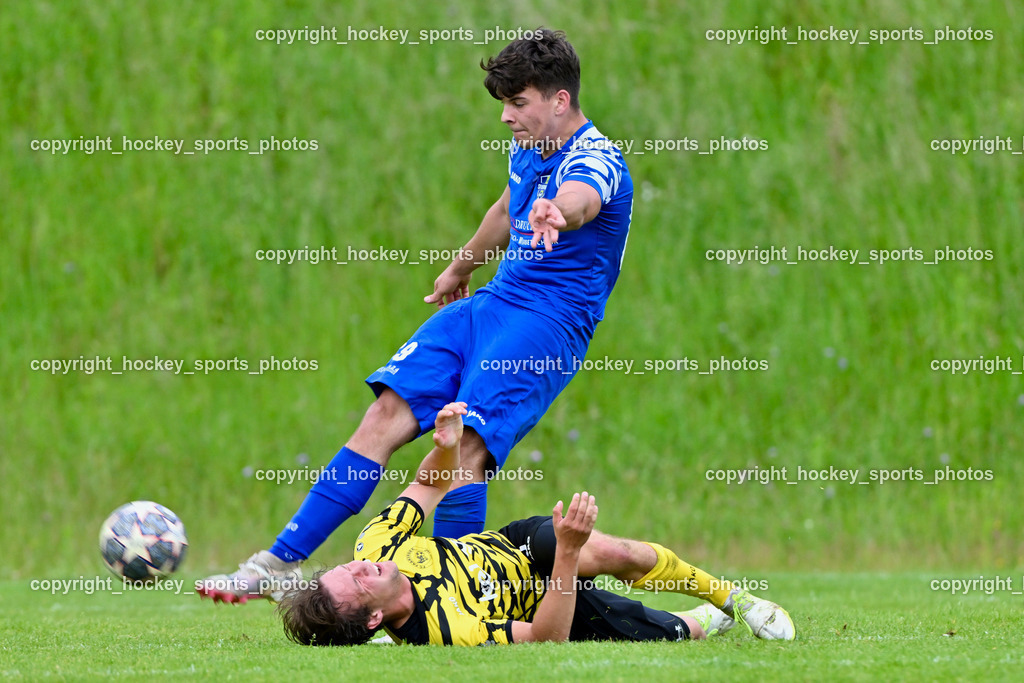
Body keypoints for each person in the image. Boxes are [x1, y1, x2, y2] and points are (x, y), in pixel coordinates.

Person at [199, 28, 633, 603]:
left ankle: (452, 598)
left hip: (547, 324)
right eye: (503, 104)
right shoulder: (531, 145)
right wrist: (460, 268)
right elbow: (507, 207)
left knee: (465, 446)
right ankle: (280, 564)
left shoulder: (598, 160)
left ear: (560, 100)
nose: (506, 117)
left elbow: (583, 198)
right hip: (492, 305)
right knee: (384, 414)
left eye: (518, 103)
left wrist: (561, 211)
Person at [275, 403, 796, 646]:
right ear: (372, 620)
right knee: (677, 633)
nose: (364, 563)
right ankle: (705, 616)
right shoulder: (447, 631)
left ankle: (736, 599)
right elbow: (546, 639)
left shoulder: (379, 544)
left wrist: (446, 447)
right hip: (551, 606)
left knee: (624, 554)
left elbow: (428, 486)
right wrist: (568, 555)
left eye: (351, 565)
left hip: (516, 548)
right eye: (359, 580)